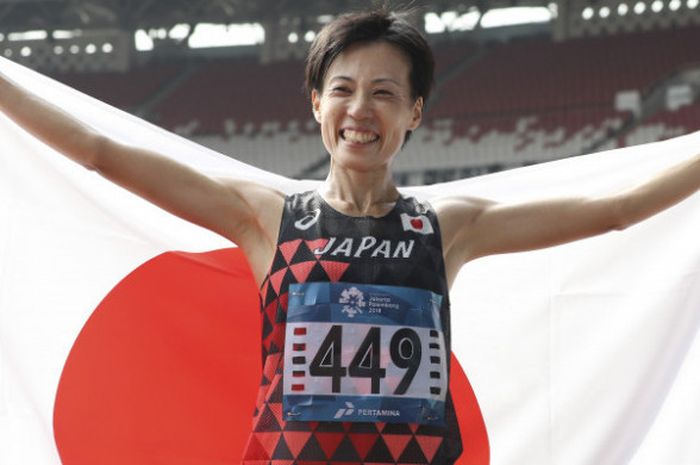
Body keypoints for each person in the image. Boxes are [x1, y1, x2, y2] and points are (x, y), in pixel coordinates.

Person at [1, 7, 699, 465]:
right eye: (343, 88)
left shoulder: (446, 227)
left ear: (415, 112)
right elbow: (97, 151)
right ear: (316, 103)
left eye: (385, 93)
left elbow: (618, 210)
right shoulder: (264, 215)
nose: (360, 109)